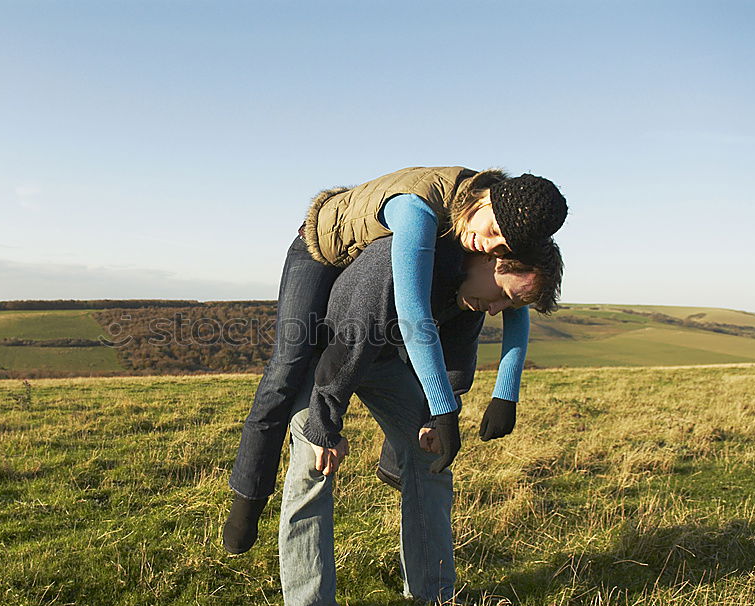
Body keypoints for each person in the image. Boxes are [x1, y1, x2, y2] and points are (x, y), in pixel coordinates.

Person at [224, 166, 568, 554]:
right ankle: (248, 495)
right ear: (487, 199)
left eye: (502, 247)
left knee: (400, 347)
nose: (489, 246)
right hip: (322, 251)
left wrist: (505, 393)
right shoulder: (418, 210)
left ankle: (396, 462)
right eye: (493, 233)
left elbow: (512, 299)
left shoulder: (483, 234)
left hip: (376, 268)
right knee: (288, 366)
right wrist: (445, 410)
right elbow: (413, 314)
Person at [278, 236, 562, 606]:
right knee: (314, 466)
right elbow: (346, 349)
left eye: (510, 307)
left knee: (433, 458)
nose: (498, 309)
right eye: (504, 296)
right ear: (490, 258)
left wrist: (435, 418)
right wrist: (325, 428)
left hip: (381, 360)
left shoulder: (472, 295)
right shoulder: (406, 261)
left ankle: (435, 592)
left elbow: (452, 362)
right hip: (325, 353)